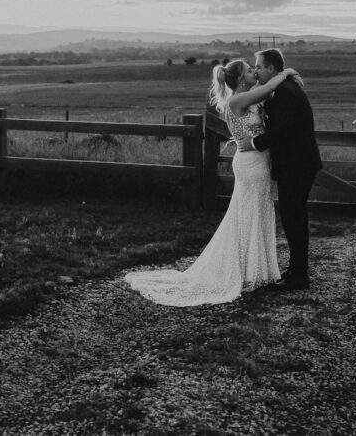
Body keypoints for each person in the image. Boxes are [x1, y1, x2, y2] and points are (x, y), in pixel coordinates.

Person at [123, 59, 296, 306]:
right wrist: (287, 72)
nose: (253, 72)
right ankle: (248, 271)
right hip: (251, 164)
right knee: (250, 214)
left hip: (259, 160)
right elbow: (268, 89)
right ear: (239, 78)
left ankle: (257, 269)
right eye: (249, 70)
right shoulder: (237, 100)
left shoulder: (249, 97)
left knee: (256, 213)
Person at [238, 49, 322, 290]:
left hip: (297, 165)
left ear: (272, 68)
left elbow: (282, 131)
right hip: (296, 164)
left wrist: (253, 143)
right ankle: (296, 269)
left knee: (294, 217)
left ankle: (300, 274)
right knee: (293, 216)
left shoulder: (285, 93)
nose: (256, 70)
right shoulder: (282, 89)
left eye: (259, 66)